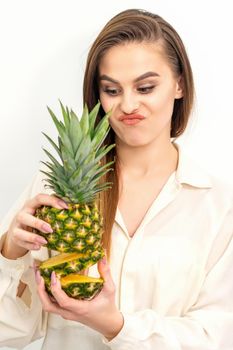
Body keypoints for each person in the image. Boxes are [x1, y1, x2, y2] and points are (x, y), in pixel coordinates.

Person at [0, 8, 233, 350]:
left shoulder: (218, 205)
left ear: (179, 84)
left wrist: (115, 326)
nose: (127, 104)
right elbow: (8, 333)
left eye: (145, 87)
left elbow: (217, 337)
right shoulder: (55, 190)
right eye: (111, 90)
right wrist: (9, 254)